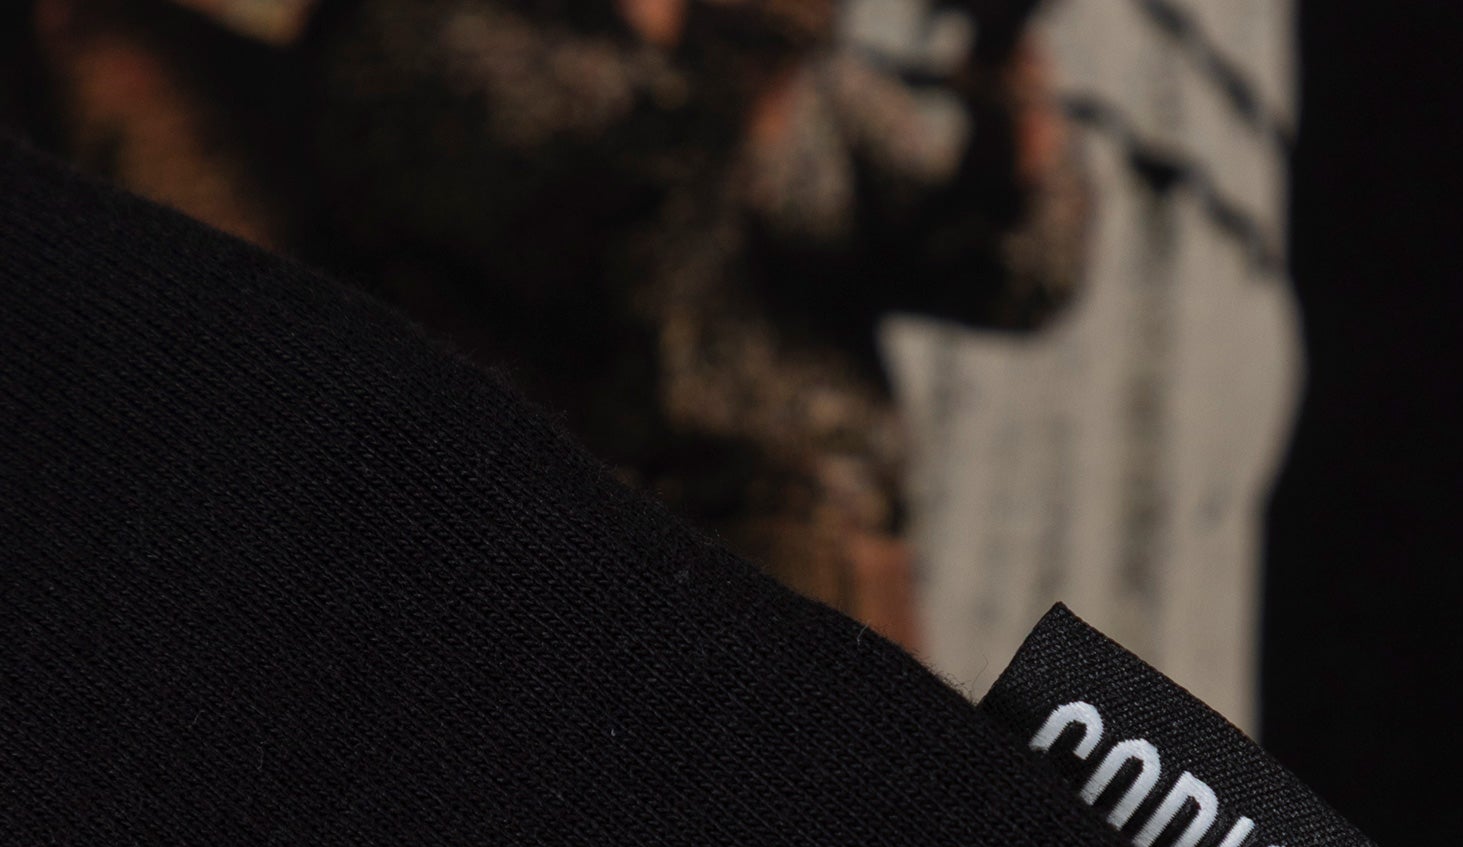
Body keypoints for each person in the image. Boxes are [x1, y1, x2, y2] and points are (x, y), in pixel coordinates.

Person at [9, 0, 1094, 648]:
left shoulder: (804, 81)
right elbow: (625, 299)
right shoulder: (423, 43)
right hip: (647, 568)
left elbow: (1009, 283)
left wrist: (1011, 107)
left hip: (858, 578)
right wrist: (742, 88)